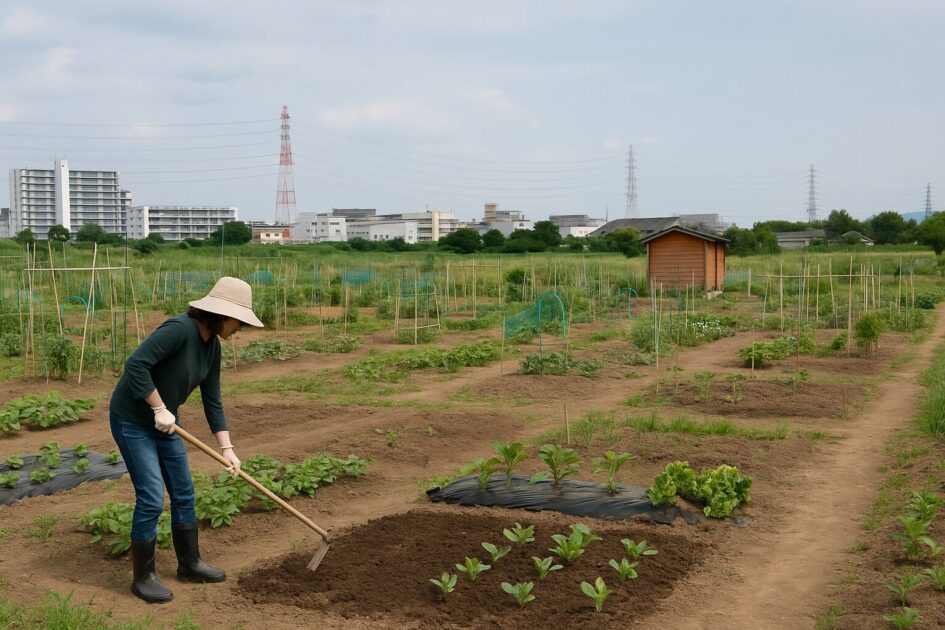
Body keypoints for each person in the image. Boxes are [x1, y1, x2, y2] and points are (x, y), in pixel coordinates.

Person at [109, 276, 264, 603]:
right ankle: (143, 578)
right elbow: (136, 364)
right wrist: (159, 407)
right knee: (152, 496)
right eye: (239, 321)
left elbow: (213, 400)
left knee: (183, 491)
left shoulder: (212, 348)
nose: (240, 329)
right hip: (133, 420)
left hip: (166, 424)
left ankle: (189, 564)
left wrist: (228, 449)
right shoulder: (179, 330)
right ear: (221, 314)